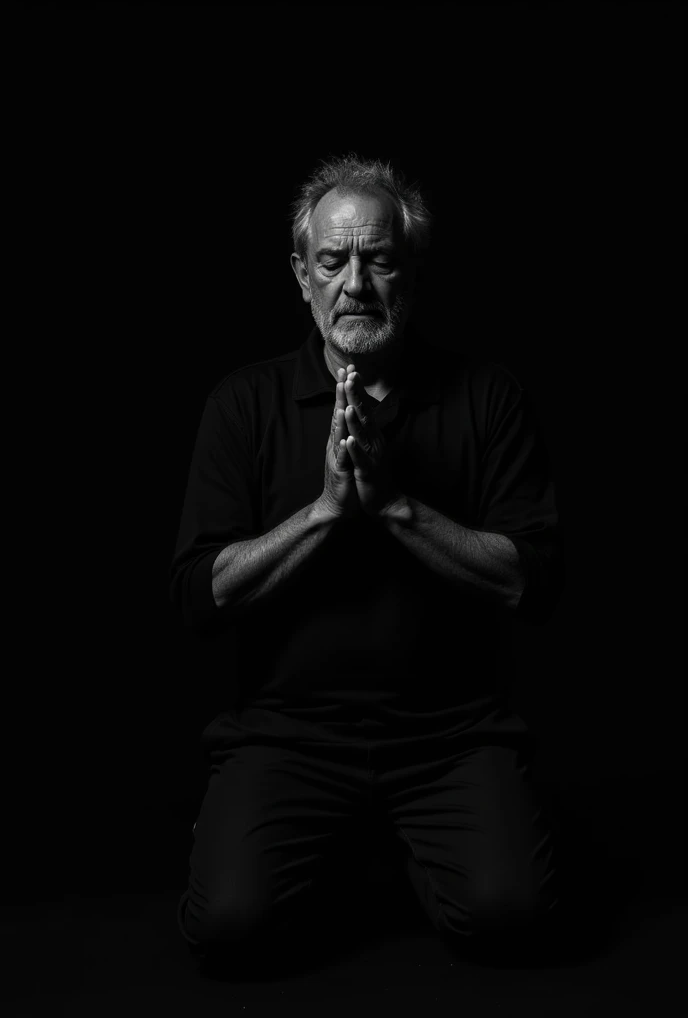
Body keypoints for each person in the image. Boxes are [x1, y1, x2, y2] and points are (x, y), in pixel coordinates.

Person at [170, 152, 566, 975]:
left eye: (378, 258)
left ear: (411, 269)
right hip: (288, 735)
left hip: (450, 735)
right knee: (227, 929)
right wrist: (322, 513)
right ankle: (330, 845)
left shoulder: (487, 396)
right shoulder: (242, 404)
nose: (355, 284)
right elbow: (198, 596)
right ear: (300, 275)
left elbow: (533, 578)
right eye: (332, 261)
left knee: (515, 918)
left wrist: (394, 507)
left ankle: (400, 848)